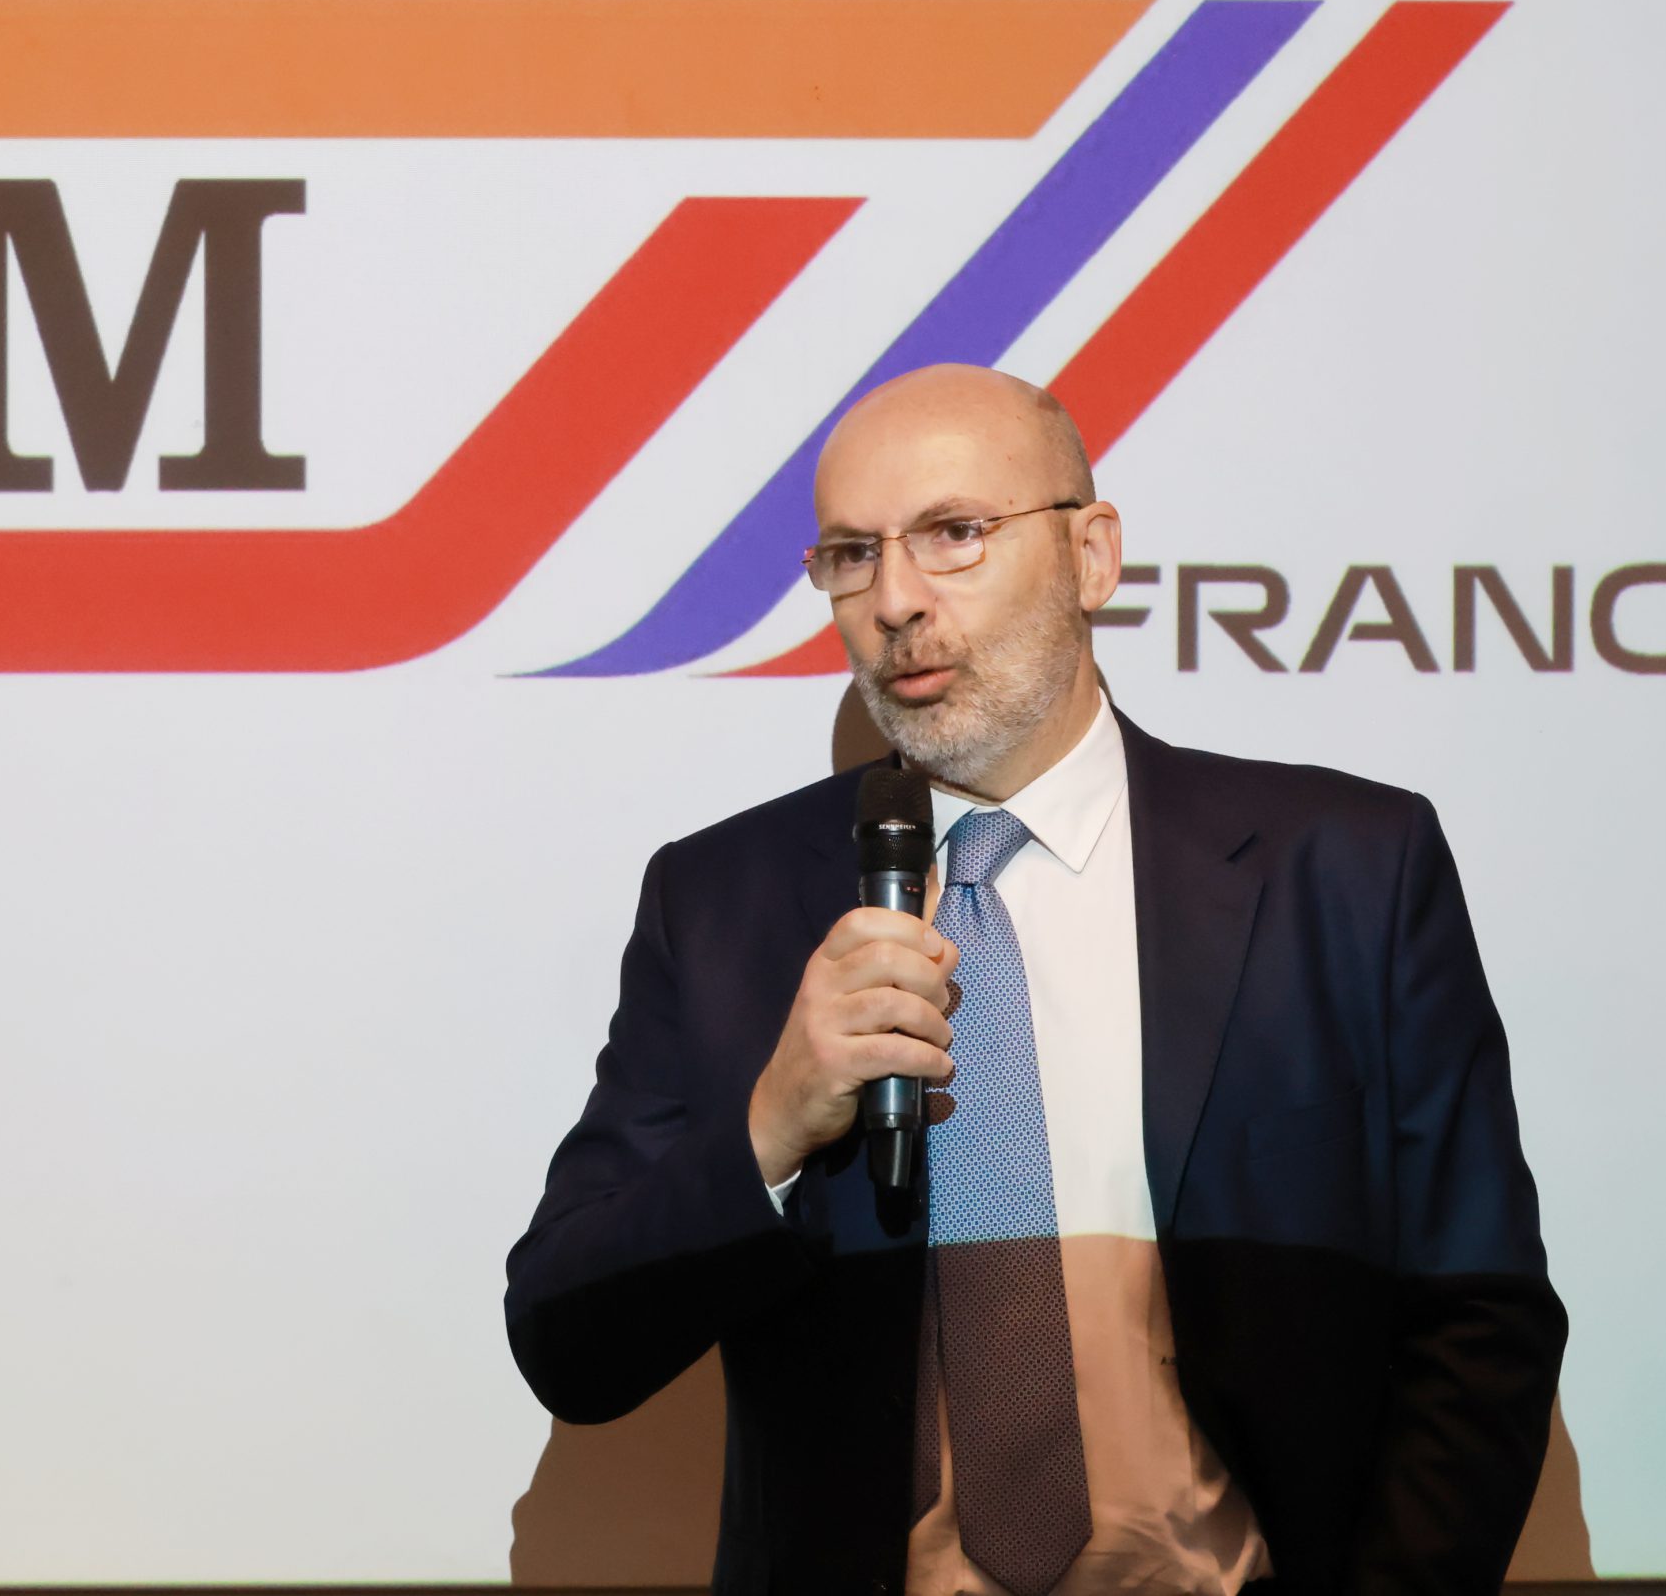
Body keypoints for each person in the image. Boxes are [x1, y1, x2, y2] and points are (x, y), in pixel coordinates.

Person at [505, 366, 1565, 1596]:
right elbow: (569, 1342)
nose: (894, 599)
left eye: (954, 533)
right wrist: (772, 1123)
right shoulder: (721, 902)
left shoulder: (1345, 871)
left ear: (1090, 554)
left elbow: (1478, 1317)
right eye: (852, 554)